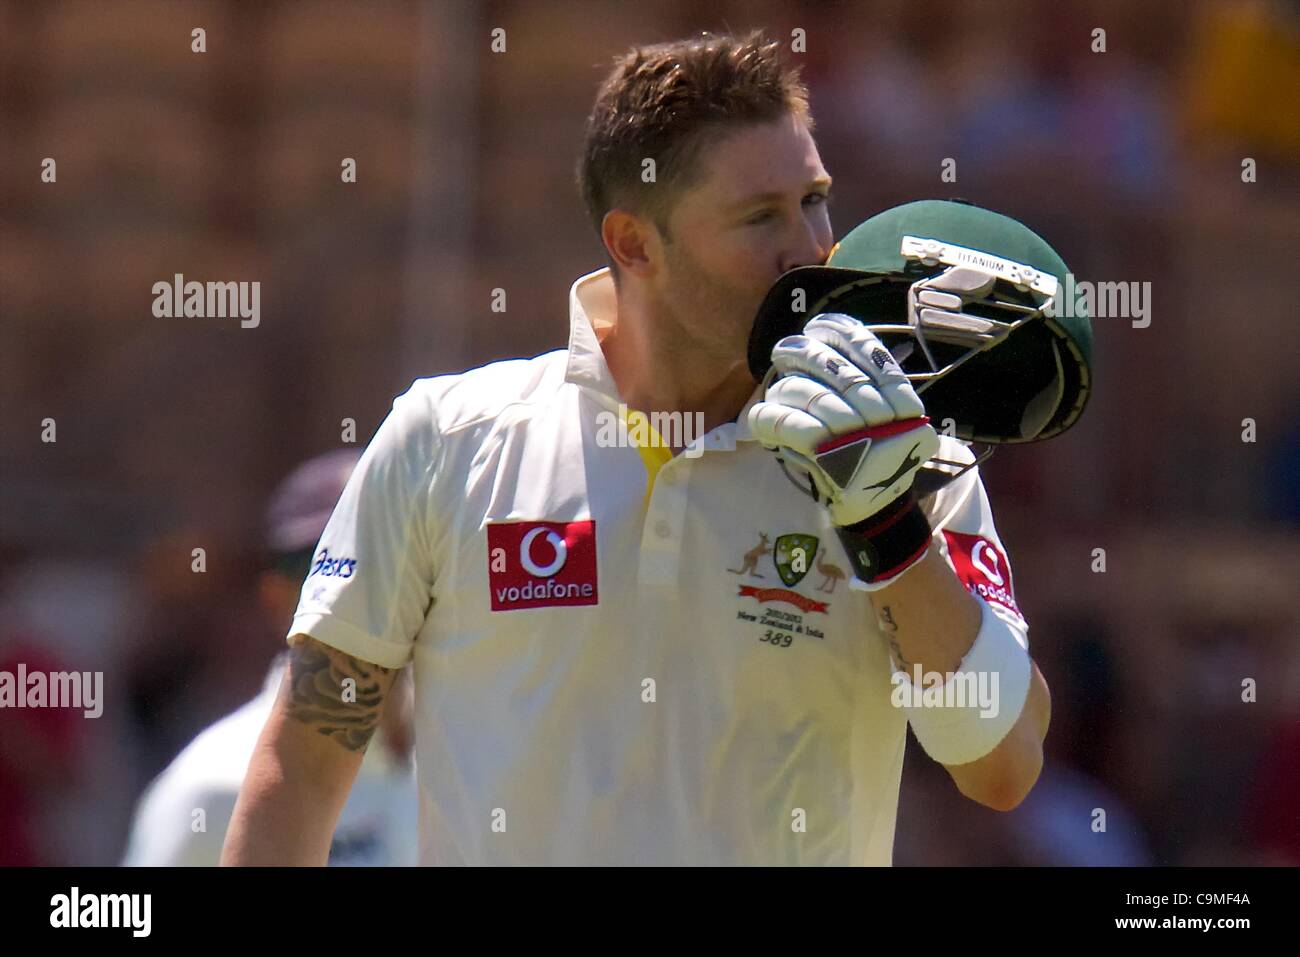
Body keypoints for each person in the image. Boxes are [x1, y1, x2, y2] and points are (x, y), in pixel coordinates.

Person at [223, 30, 1053, 867]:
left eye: (815, 199)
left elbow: (1003, 765)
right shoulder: (450, 438)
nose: (810, 248)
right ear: (634, 243)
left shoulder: (901, 452)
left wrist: (889, 528)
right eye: (760, 215)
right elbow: (304, 763)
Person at [123, 450, 417, 866]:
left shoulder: (473, 764)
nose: (358, 594)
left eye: (391, 559)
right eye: (326, 566)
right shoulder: (212, 786)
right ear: (276, 596)